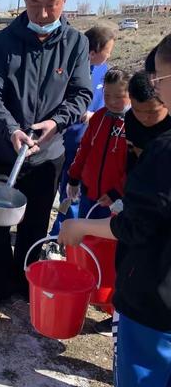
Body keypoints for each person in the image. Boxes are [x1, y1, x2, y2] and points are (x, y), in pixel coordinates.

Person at [58, 33, 171, 387]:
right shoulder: (106, 121)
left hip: (152, 299)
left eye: (161, 79)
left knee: (144, 383)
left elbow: (138, 219)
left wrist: (108, 206)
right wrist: (75, 178)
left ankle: (108, 305)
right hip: (151, 277)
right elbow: (90, 149)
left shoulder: (158, 147)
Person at [0, 0, 93, 312]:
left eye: (51, 4)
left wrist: (56, 123)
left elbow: (81, 93)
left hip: (46, 153)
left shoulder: (75, 43)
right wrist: (11, 128)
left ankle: (27, 283)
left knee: (36, 221)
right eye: (35, 3)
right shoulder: (2, 42)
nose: (42, 13)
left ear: (65, 0)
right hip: (3, 149)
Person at [51, 26, 116, 234]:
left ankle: (62, 232)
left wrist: (94, 116)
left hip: (84, 145)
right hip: (60, 141)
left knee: (73, 192)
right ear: (92, 52)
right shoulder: (68, 67)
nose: (110, 55)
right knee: (57, 188)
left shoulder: (105, 71)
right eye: (108, 50)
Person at [67, 68, 131, 219]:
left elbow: (136, 166)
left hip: (115, 201)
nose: (112, 101)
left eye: (119, 96)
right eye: (107, 95)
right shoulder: (99, 117)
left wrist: (118, 192)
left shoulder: (135, 124)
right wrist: (74, 178)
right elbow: (84, 149)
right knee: (85, 238)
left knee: (105, 241)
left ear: (131, 94)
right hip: (89, 193)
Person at [125, 70, 171, 171]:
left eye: (152, 112)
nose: (144, 117)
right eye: (136, 110)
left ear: (166, 102)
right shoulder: (130, 119)